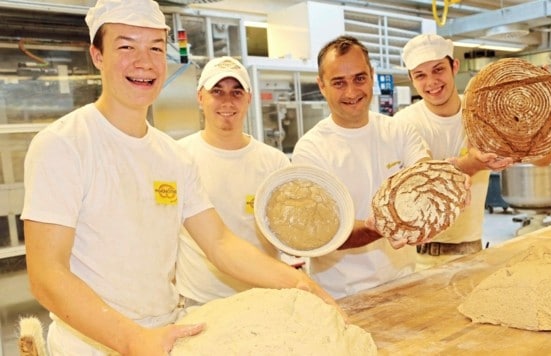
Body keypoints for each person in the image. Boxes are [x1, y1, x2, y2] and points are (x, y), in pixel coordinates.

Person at [20, 1, 338, 355]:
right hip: (91, 344)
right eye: (126, 46)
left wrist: (299, 282)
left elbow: (219, 243)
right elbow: (47, 275)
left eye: (155, 48)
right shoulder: (64, 145)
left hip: (164, 335)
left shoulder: (172, 157)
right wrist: (133, 339)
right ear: (97, 55)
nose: (144, 62)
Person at [291, 35, 435, 299]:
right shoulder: (310, 150)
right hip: (342, 295)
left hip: (404, 283)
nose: (351, 92)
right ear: (321, 86)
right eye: (338, 83)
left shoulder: (399, 131)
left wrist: (449, 179)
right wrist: (383, 225)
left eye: (359, 78)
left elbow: (425, 180)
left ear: (371, 76)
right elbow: (324, 233)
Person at [175, 56, 291, 306]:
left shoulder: (275, 163)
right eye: (217, 91)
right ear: (200, 97)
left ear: (249, 98)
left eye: (236, 92)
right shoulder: (177, 157)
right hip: (201, 302)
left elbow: (290, 234)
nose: (227, 101)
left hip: (264, 298)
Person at [395, 34, 515, 268]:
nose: (431, 82)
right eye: (420, 75)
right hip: (415, 261)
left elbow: (540, 158)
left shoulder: (481, 114)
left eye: (438, 69)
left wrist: (549, 106)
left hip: (472, 253)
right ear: (411, 79)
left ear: (454, 66)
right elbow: (423, 185)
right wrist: (472, 163)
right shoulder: (403, 123)